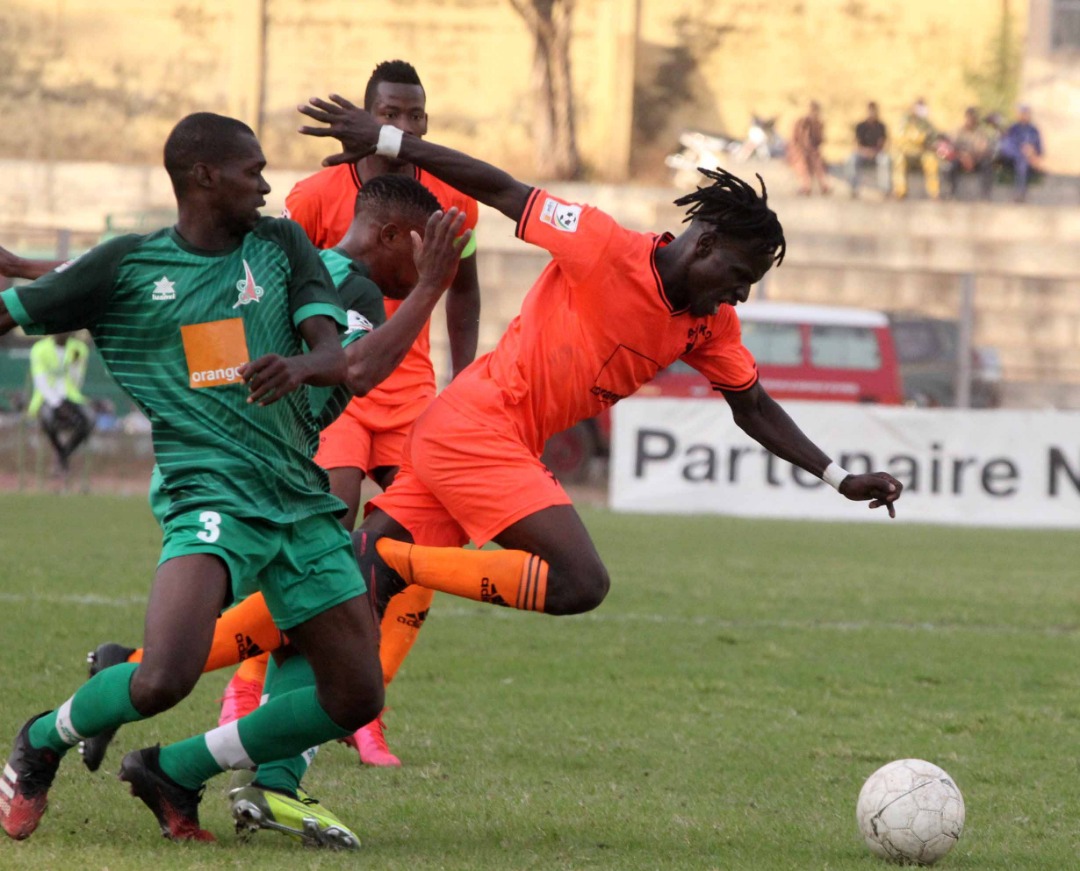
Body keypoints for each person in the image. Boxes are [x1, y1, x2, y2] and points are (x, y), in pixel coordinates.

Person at [0, 111, 467, 847]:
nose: (268, 183)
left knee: (354, 693)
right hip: (210, 491)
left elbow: (341, 360)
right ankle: (41, 737)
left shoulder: (284, 247)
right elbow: (128, 290)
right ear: (205, 177)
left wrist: (311, 361)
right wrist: (37, 274)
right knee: (162, 680)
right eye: (253, 171)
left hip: (298, 497)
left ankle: (173, 769)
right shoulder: (140, 261)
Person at [291, 94, 903, 654]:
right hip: (482, 425)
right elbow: (502, 189)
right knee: (579, 581)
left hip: (474, 435)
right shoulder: (601, 245)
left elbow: (755, 407)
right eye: (739, 276)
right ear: (706, 243)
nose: (740, 296)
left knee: (341, 595)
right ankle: (396, 564)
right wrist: (391, 141)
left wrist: (838, 477)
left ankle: (232, 732)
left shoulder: (709, 323)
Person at [218, 58, 482, 768]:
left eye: (416, 116)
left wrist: (463, 379)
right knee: (325, 542)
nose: (405, 126)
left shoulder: (452, 194)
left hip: (411, 390)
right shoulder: (314, 196)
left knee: (422, 551)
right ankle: (246, 685)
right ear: (365, 117)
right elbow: (262, 280)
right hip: (335, 391)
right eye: (392, 113)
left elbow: (463, 287)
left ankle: (368, 708)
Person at [27, 331, 96, 476]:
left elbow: (77, 382)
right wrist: (57, 404)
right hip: (46, 398)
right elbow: (40, 383)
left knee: (90, 418)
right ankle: (60, 453)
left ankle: (63, 454)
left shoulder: (79, 349)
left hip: (71, 396)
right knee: (47, 418)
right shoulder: (39, 349)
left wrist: (75, 364)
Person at [892, 98, 940, 200]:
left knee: (931, 160)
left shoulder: (926, 123)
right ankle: (900, 192)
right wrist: (919, 139)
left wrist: (929, 144)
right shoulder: (904, 122)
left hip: (921, 154)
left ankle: (934, 193)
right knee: (899, 160)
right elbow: (899, 139)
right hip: (907, 154)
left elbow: (935, 138)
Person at [943, 107, 995, 201]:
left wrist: (973, 157)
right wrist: (963, 156)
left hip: (975, 160)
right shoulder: (958, 131)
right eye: (969, 118)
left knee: (987, 165)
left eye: (973, 118)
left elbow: (984, 149)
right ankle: (951, 192)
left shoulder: (980, 133)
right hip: (961, 159)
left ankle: (985, 195)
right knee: (950, 166)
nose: (971, 120)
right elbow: (951, 146)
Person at [998, 104, 1045, 202]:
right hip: (1012, 159)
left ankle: (1021, 193)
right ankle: (1019, 193)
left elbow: (1040, 149)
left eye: (1026, 113)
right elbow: (1006, 148)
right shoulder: (1013, 129)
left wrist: (1034, 154)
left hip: (1030, 161)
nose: (1024, 116)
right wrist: (1023, 152)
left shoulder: (1034, 130)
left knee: (1024, 163)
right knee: (1022, 162)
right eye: (1022, 113)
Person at [845, 101, 890, 198]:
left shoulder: (881, 126)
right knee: (851, 159)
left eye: (874, 111)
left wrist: (874, 152)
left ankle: (884, 189)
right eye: (871, 111)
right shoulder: (860, 126)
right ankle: (853, 188)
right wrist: (865, 151)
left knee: (884, 160)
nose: (872, 114)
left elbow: (882, 143)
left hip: (876, 153)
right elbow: (856, 144)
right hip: (863, 152)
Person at [788, 101, 831, 196]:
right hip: (801, 150)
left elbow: (820, 139)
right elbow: (798, 139)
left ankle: (822, 186)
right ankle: (806, 186)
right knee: (803, 163)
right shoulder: (803, 122)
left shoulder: (818, 123)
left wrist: (812, 149)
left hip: (813, 150)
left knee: (817, 162)